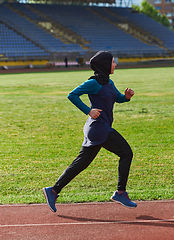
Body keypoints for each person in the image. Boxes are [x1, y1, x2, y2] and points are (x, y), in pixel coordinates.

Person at [43, 51, 137, 212]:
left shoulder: (109, 82)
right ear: (105, 65)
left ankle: (53, 191)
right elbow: (72, 95)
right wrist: (89, 110)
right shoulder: (93, 83)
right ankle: (120, 192)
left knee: (81, 163)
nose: (115, 65)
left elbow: (117, 97)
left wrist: (126, 97)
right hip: (99, 128)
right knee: (126, 153)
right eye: (113, 62)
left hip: (99, 128)